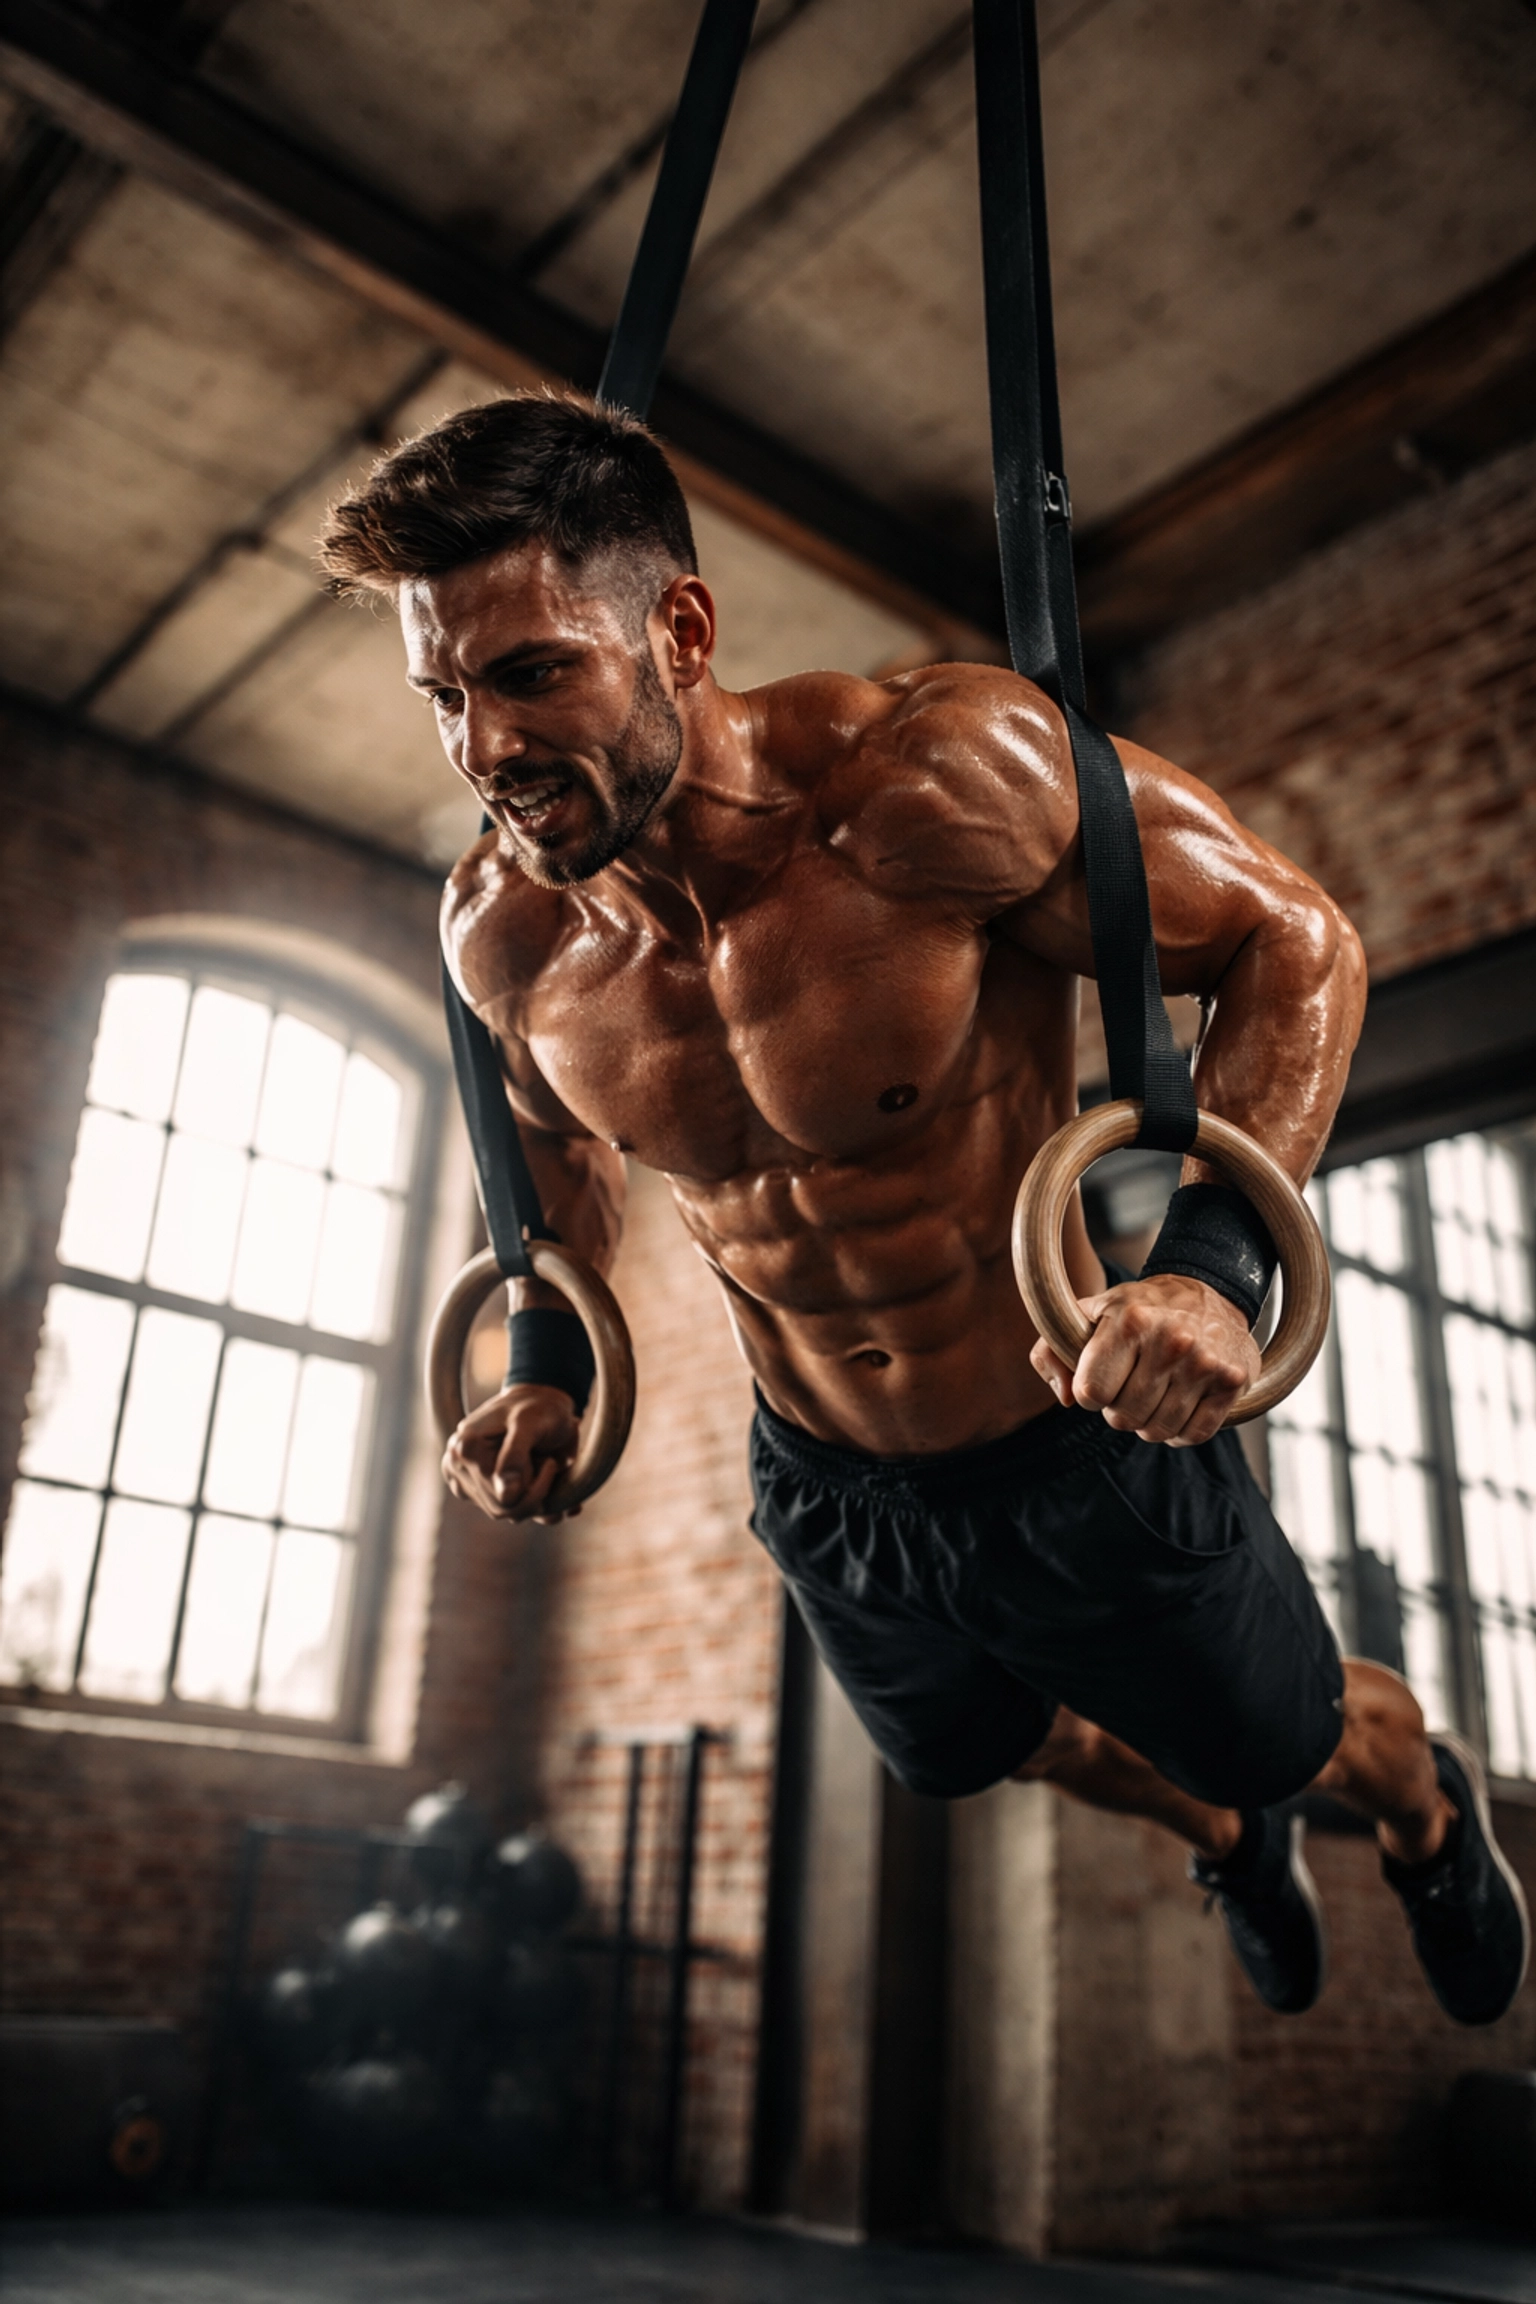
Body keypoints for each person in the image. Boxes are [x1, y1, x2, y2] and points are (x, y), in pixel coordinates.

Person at [319, 391, 1528, 2027]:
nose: (488, 749)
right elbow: (555, 1151)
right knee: (982, 1749)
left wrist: (1211, 1273)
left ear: (679, 628)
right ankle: (1231, 1841)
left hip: (1070, 1425)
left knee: (1277, 1731)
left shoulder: (929, 786)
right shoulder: (505, 936)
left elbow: (1297, 943)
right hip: (827, 1484)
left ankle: (1420, 1804)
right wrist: (544, 1352)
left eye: (534, 673)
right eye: (443, 695)